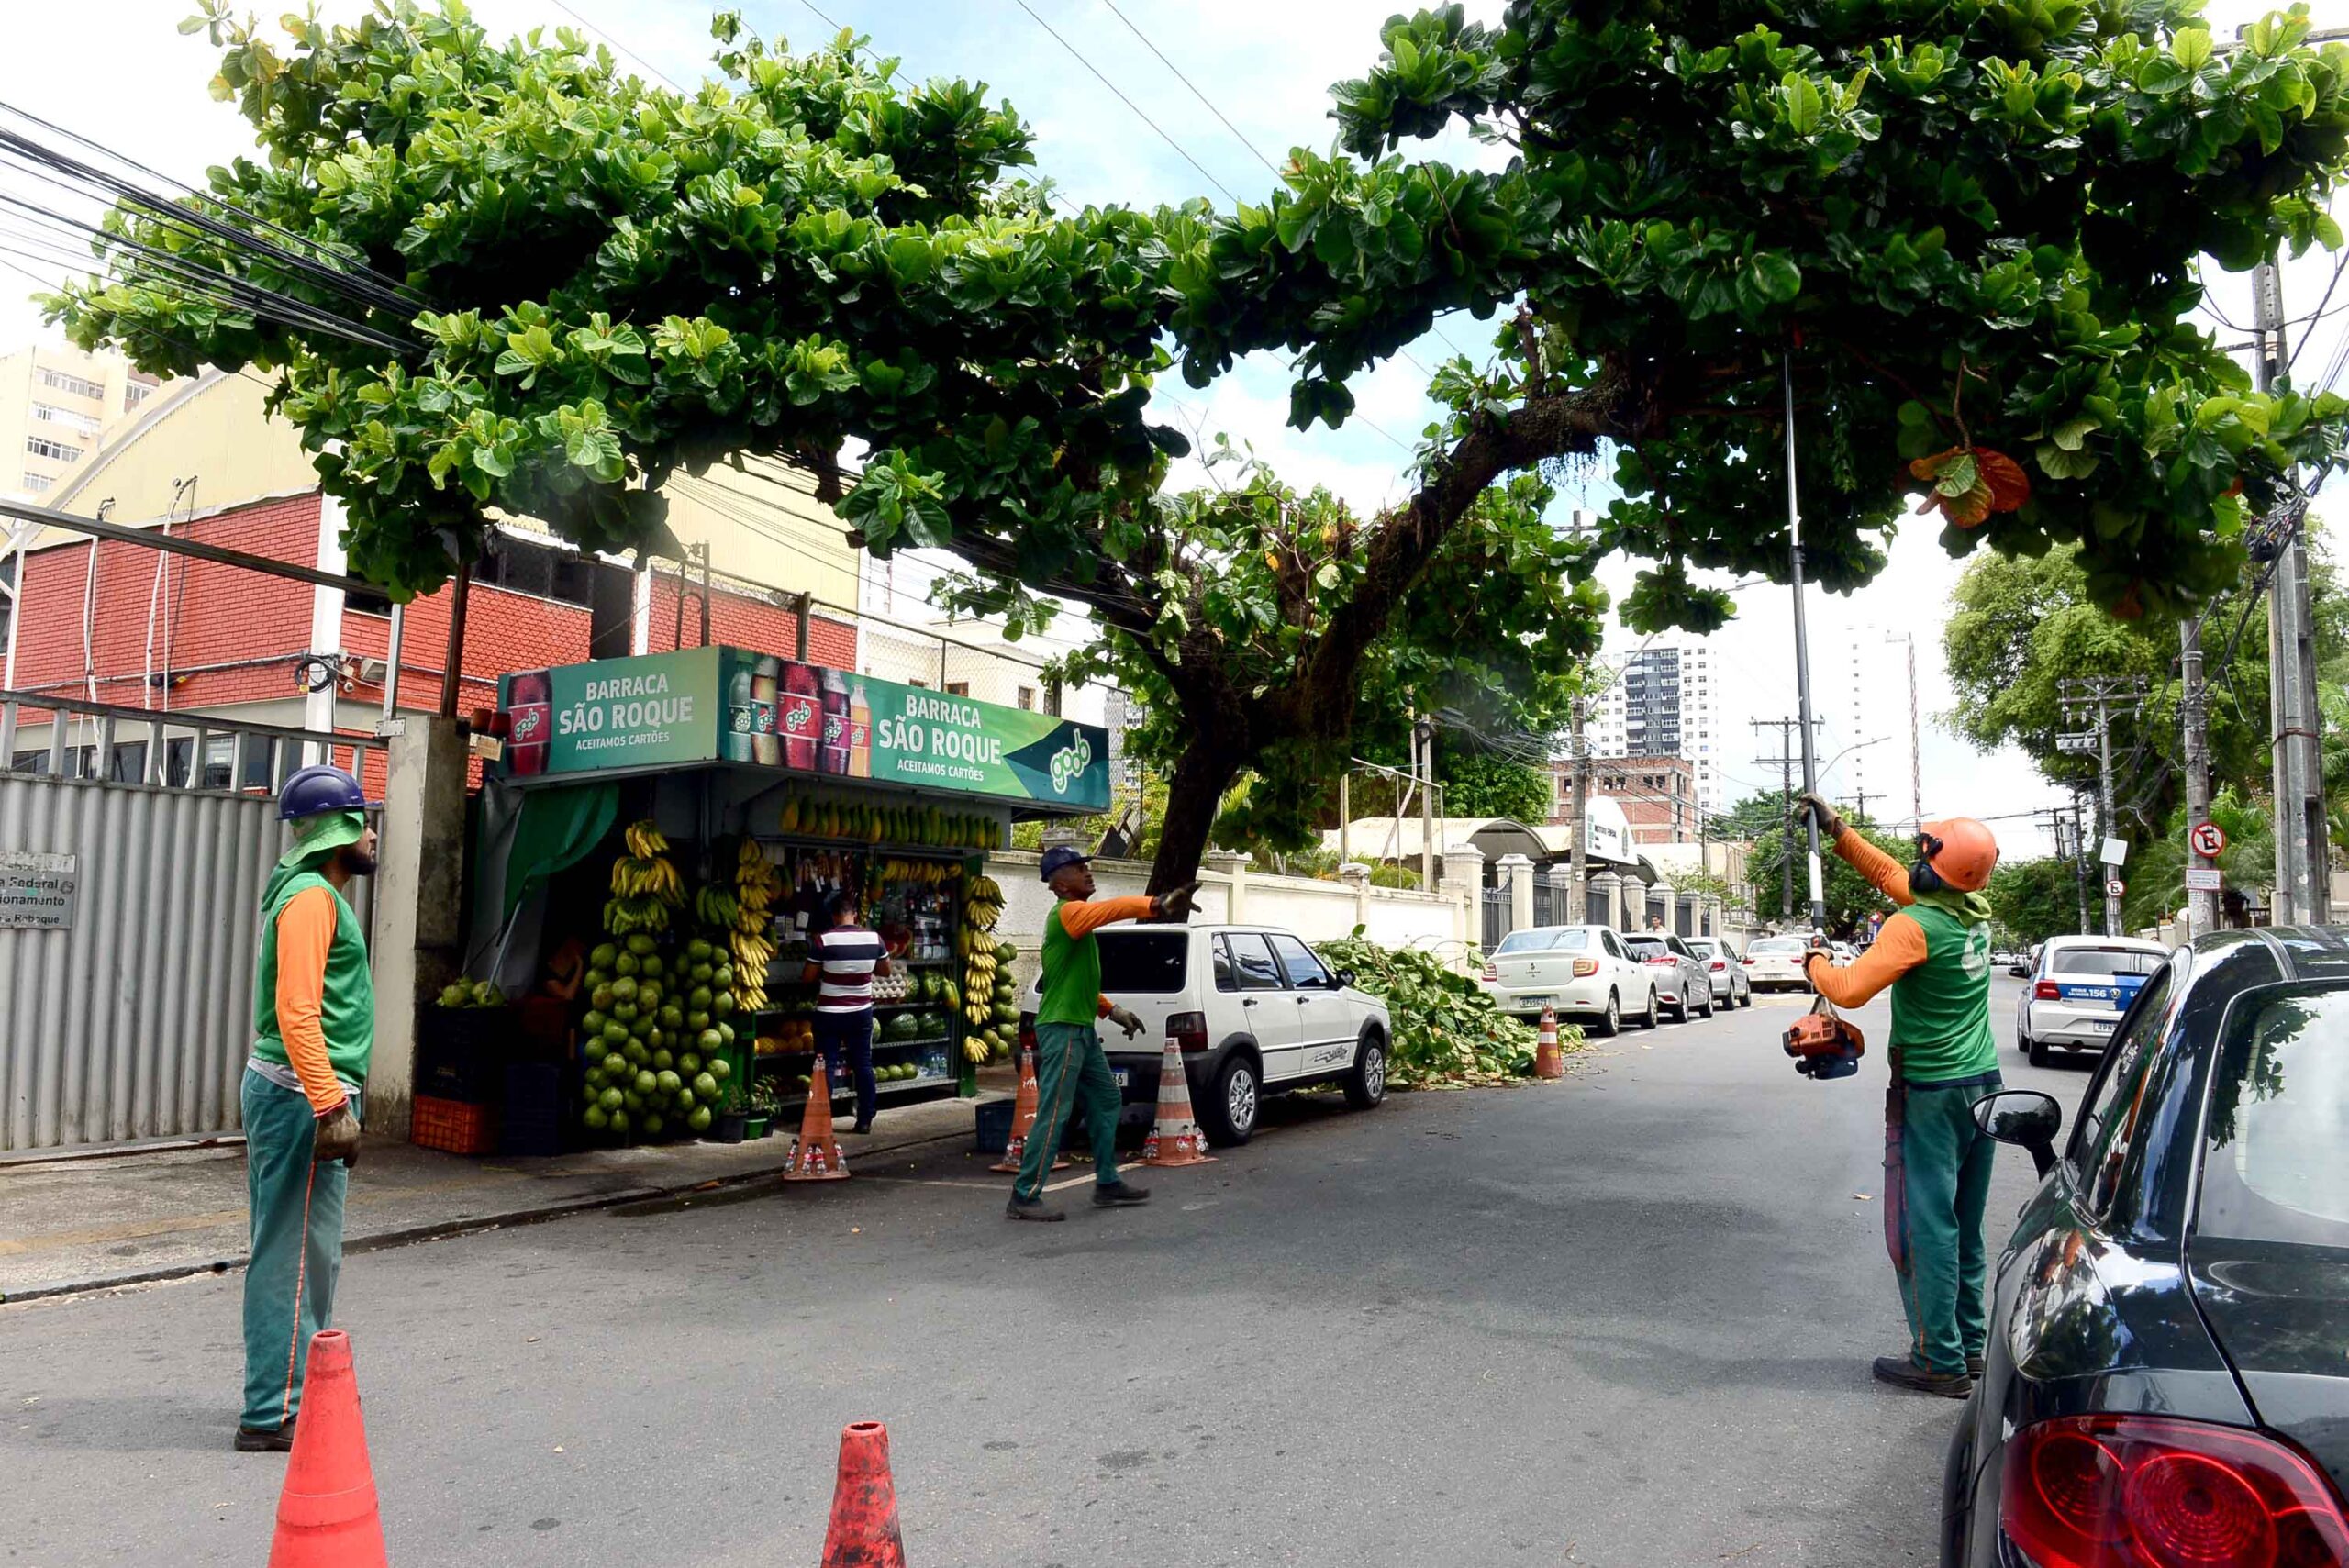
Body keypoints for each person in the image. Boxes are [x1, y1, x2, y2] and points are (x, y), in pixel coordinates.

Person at [1793, 792, 2000, 1399]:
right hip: (1983, 1086)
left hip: (1930, 1093)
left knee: (1923, 1226)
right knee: (1963, 1222)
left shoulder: (1915, 928)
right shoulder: (1968, 911)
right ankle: (1969, 1343)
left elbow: (1849, 989)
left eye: (1926, 850)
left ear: (1940, 867)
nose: (1916, 856)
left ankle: (1938, 1359)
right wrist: (1837, 830)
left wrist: (1816, 960)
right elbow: (1888, 873)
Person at [238, 764, 377, 1451]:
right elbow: (297, 1011)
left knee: (304, 1251)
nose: (373, 832)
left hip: (298, 1090)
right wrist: (330, 1104)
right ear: (339, 831)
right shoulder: (313, 899)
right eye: (363, 820)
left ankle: (291, 1394)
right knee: (293, 1255)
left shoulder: (308, 894)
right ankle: (273, 1410)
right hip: (300, 1093)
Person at [1008, 847, 1200, 1221]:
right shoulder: (1068, 913)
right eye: (1080, 869)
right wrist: (1155, 905)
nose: (1088, 874)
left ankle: (1108, 1183)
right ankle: (1024, 1195)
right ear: (1060, 883)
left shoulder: (1075, 922)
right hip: (1061, 1030)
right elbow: (1109, 911)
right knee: (1055, 1111)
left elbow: (1074, 985)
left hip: (1078, 1027)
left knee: (1108, 1098)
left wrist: (1113, 1010)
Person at [803, 891, 891, 1134]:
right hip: (861, 1012)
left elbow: (808, 977)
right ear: (856, 914)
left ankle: (821, 1121)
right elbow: (885, 971)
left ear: (834, 916)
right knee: (863, 1064)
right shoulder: (874, 939)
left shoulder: (823, 940)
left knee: (826, 1066)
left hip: (829, 1012)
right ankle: (864, 1119)